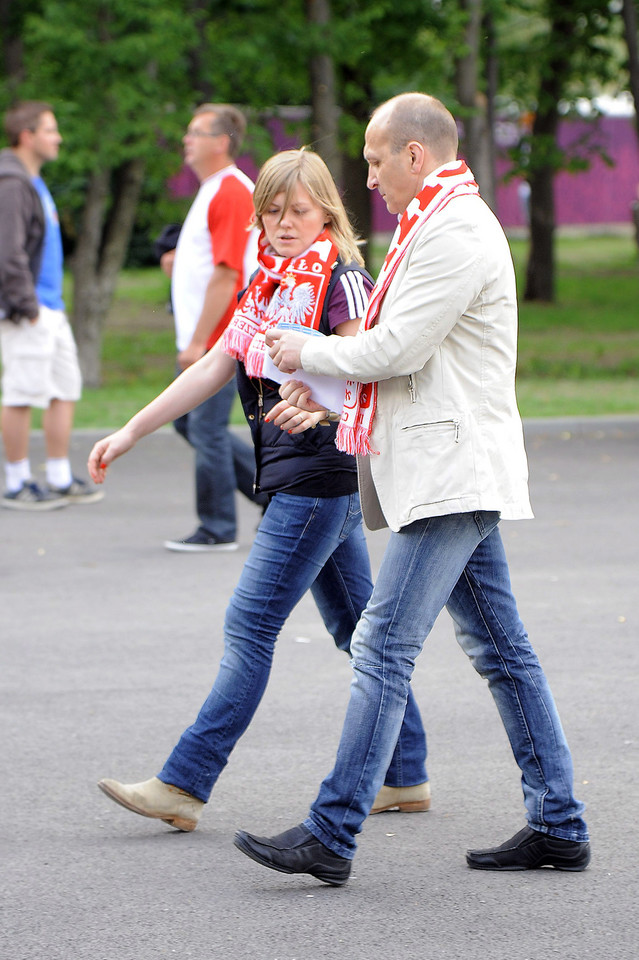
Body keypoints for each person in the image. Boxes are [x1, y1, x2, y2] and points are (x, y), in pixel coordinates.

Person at [233, 93, 591, 886]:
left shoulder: (454, 232)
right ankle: (558, 821)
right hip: (445, 467)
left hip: (451, 472)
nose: (366, 177)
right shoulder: (432, 226)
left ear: (414, 155)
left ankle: (331, 832)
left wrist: (302, 349)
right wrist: (320, 395)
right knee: (502, 653)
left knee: (381, 644)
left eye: (372, 160)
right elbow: (408, 361)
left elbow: (394, 348)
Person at [88, 148, 430, 833]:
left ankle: (184, 784)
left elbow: (366, 365)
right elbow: (216, 364)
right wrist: (131, 430)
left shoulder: (341, 276)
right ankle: (405, 774)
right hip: (294, 477)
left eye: (296, 210)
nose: (281, 224)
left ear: (326, 211)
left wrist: (324, 399)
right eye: (270, 211)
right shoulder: (268, 283)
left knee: (249, 628)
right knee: (355, 630)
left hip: (319, 476)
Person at [164, 103, 266, 553]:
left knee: (202, 426)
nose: (187, 139)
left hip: (222, 336)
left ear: (221, 142)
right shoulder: (213, 190)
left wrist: (199, 341)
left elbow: (228, 275)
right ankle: (270, 493)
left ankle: (218, 526)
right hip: (210, 335)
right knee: (188, 421)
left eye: (196, 132)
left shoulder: (229, 191)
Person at [0, 101, 103, 510]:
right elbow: (7, 252)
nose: (58, 137)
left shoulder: (33, 181)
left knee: (65, 387)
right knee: (23, 393)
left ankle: (58, 477)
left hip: (51, 306)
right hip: (29, 307)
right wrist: (27, 305)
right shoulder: (11, 183)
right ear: (27, 135)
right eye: (50, 129)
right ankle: (16, 480)